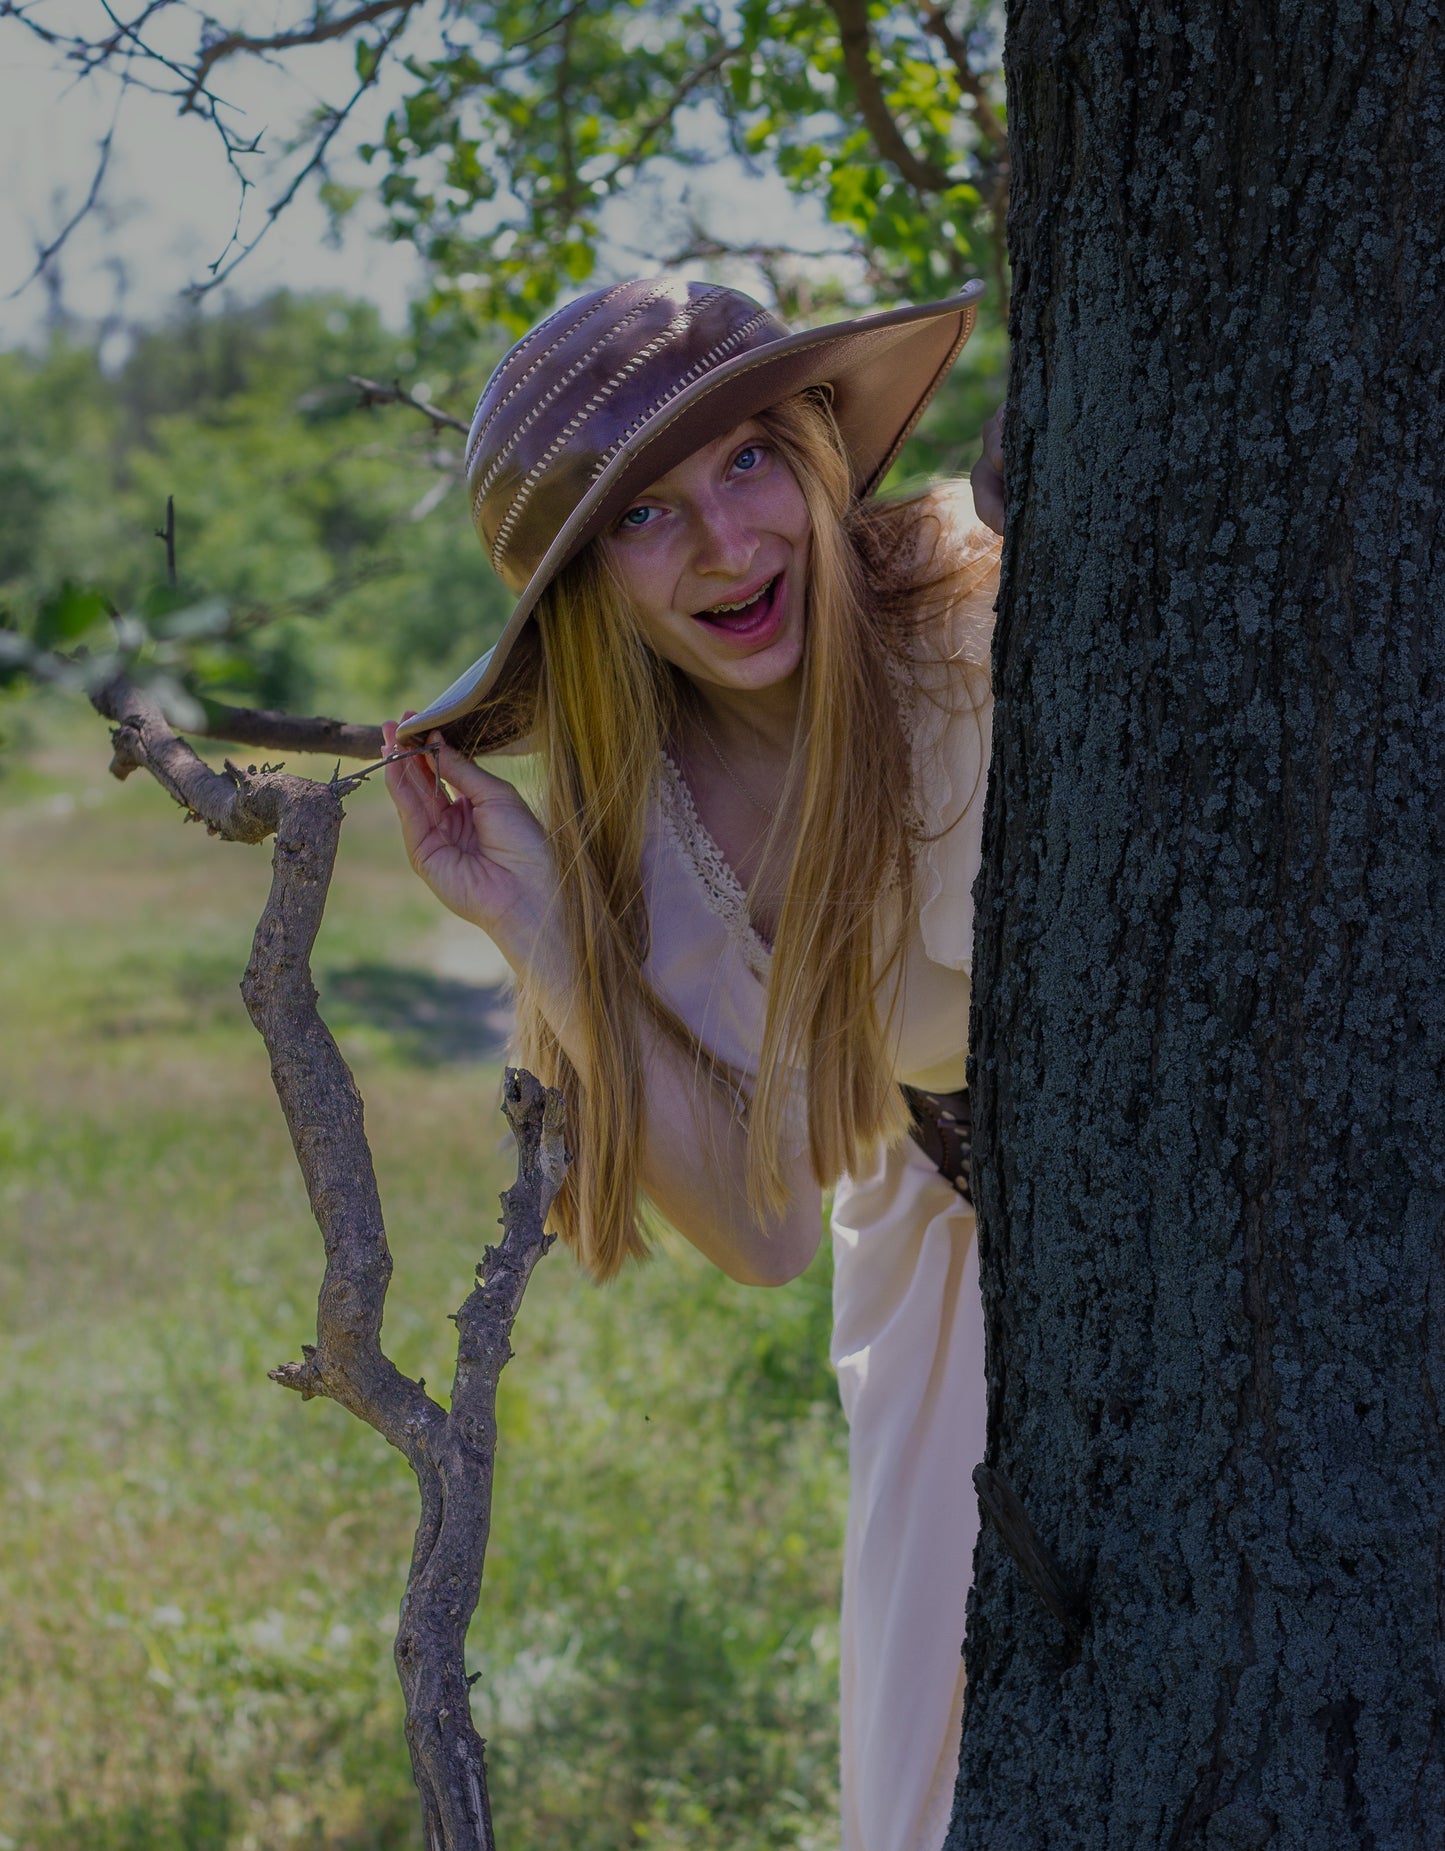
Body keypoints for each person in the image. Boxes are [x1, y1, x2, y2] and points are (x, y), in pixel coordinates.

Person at [383, 277, 1006, 1851]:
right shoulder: (653, 829)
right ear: (587, 581)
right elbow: (767, 1225)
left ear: (812, 446)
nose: (727, 546)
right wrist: (542, 924)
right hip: (963, 1258)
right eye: (647, 515)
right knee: (961, 1785)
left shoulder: (982, 610)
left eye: (744, 463)